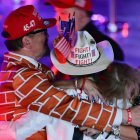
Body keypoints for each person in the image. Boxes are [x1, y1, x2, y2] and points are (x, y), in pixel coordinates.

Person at [0, 5, 139, 140]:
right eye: (42, 31)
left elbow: (53, 97)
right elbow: (65, 107)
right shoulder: (24, 75)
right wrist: (124, 117)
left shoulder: (23, 72)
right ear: (27, 41)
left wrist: (75, 84)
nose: (48, 35)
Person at [45, 0, 125, 61]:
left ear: (84, 15)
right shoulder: (66, 45)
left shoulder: (102, 48)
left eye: (63, 13)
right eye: (55, 12)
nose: (56, 18)